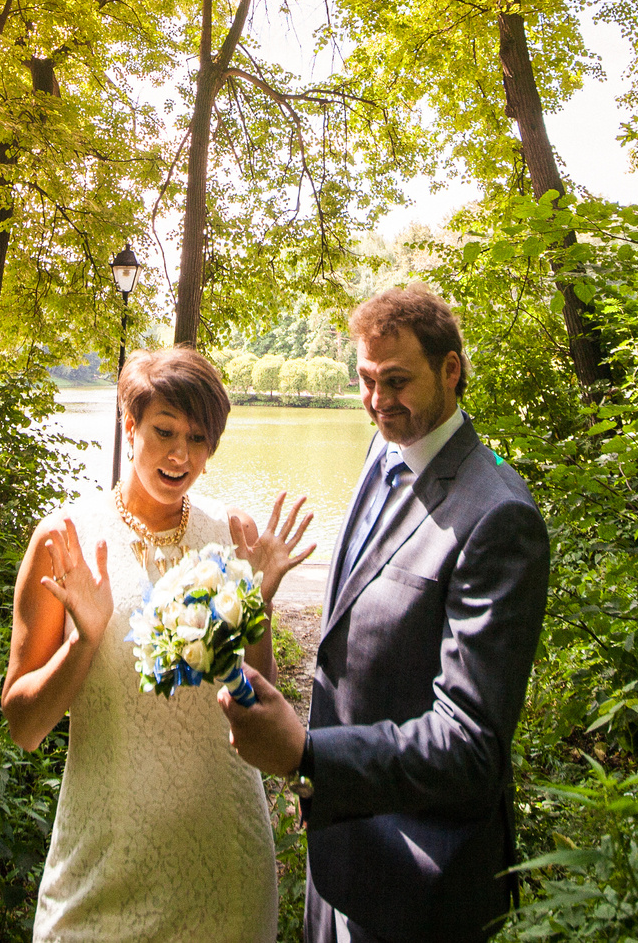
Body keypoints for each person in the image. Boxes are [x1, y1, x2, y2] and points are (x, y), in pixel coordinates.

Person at [222, 284, 551, 943]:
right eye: (368, 380)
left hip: (419, 879)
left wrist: (308, 753)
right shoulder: (384, 451)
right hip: (340, 854)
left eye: (396, 381)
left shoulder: (499, 516)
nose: (377, 402)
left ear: (450, 370)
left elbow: (471, 746)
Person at [2, 345, 317, 942]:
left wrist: (260, 602)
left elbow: (260, 701)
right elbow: (24, 726)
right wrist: (85, 641)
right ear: (129, 423)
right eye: (164, 431)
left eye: (199, 439)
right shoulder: (66, 539)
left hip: (226, 863)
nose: (181, 456)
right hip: (103, 860)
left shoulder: (231, 534)